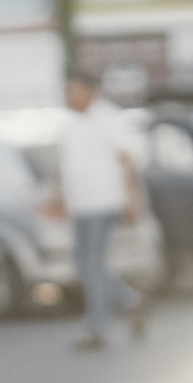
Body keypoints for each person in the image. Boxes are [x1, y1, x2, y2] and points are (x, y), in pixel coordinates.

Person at [58, 69, 147, 351]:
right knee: (85, 266)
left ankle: (96, 329)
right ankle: (130, 300)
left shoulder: (109, 118)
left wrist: (133, 199)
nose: (71, 96)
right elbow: (69, 167)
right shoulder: (73, 123)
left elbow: (128, 159)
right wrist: (58, 196)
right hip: (80, 203)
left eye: (74, 90)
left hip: (104, 202)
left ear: (88, 90)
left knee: (93, 264)